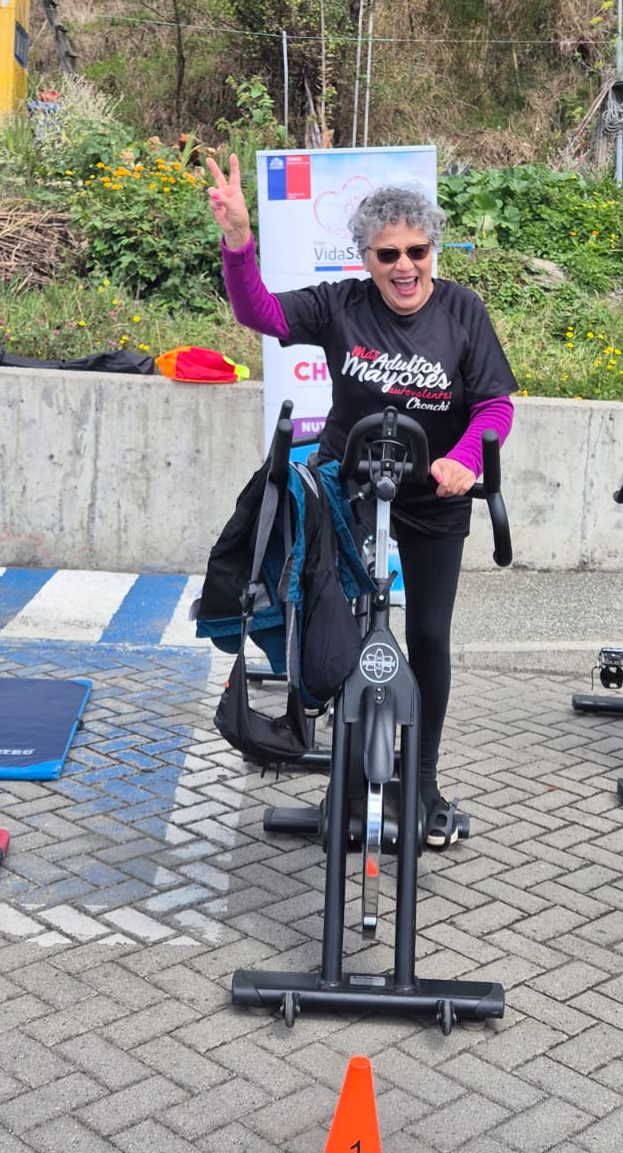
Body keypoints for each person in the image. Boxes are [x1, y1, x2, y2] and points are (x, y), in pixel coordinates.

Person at [206, 155, 517, 847]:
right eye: (388, 255)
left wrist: (465, 459)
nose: (405, 267)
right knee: (333, 623)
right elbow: (259, 312)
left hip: (433, 491)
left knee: (428, 635)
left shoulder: (462, 311)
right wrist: (239, 243)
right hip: (349, 484)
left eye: (417, 251)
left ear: (432, 250)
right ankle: (342, 768)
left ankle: (423, 780)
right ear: (366, 258)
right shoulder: (341, 304)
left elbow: (495, 405)